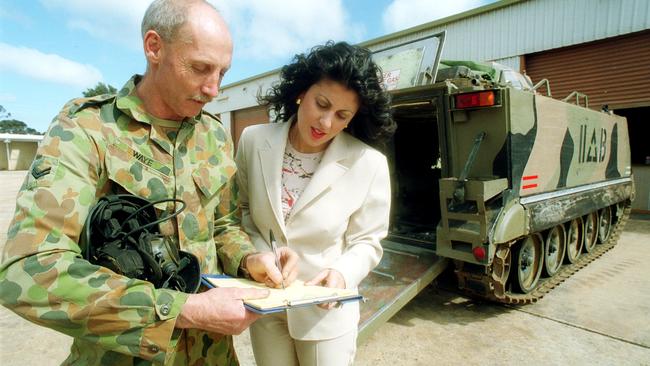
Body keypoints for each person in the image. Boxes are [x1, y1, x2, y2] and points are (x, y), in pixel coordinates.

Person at [0, 0, 297, 365]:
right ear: (154, 47)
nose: (213, 89)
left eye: (222, 72)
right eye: (201, 68)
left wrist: (249, 259)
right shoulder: (87, 130)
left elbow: (222, 226)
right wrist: (183, 310)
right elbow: (29, 270)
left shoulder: (214, 136)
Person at [235, 41, 396, 366]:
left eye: (342, 115)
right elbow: (242, 213)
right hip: (266, 304)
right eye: (321, 104)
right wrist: (257, 256)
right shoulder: (253, 141)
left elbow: (368, 241)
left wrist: (341, 272)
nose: (326, 123)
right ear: (300, 92)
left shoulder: (369, 164)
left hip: (326, 312)